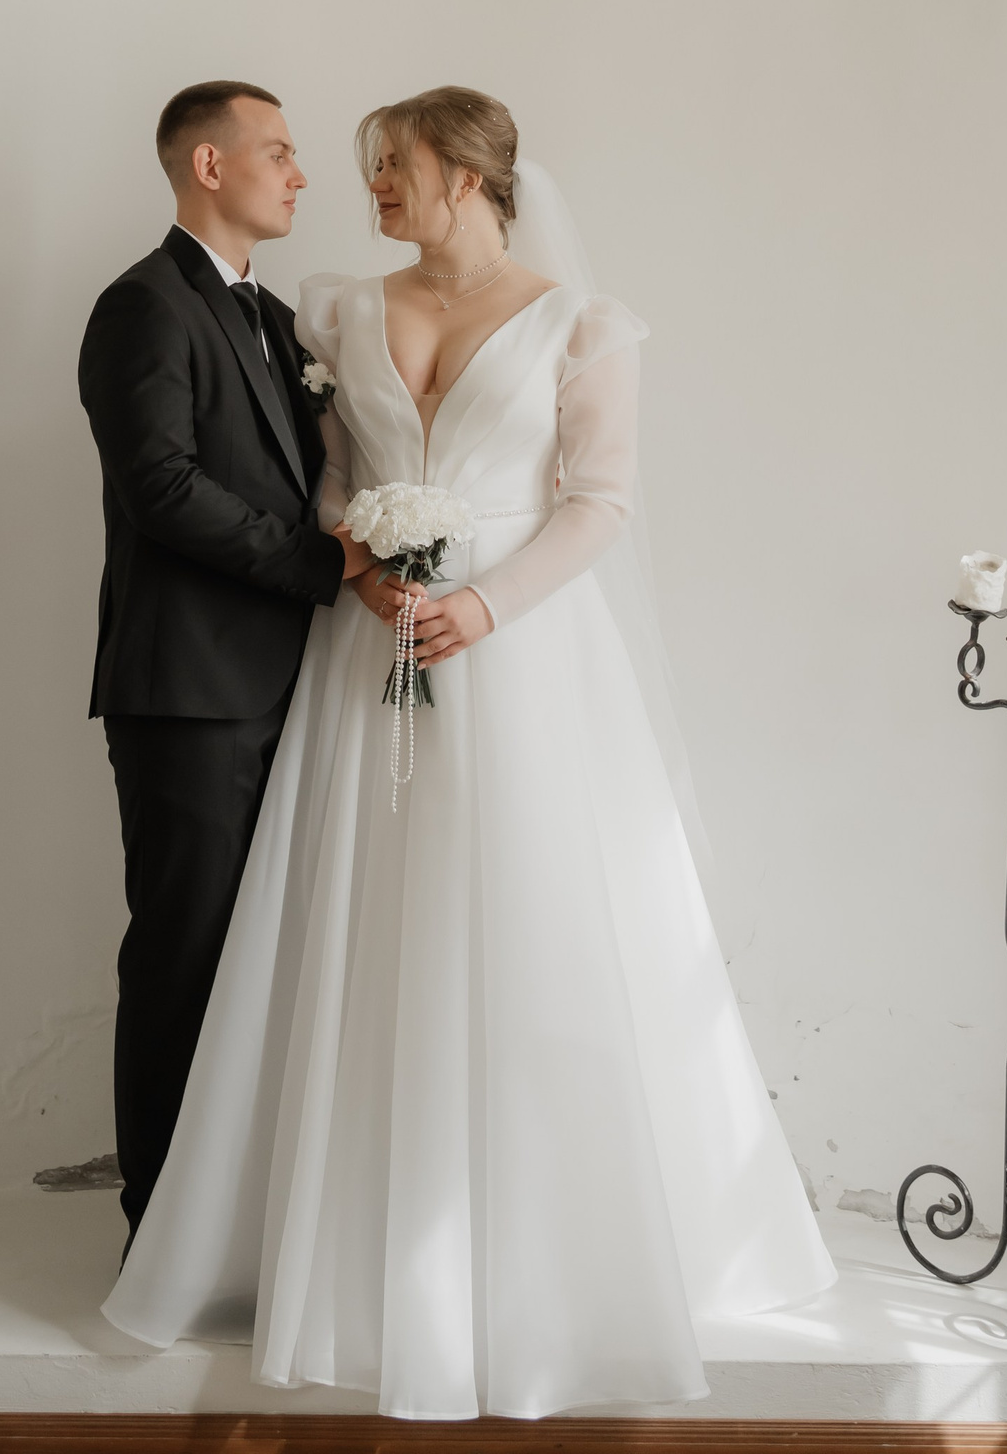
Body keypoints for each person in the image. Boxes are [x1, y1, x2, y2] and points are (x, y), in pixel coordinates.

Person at [102, 85, 835, 1417]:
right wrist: (367, 567)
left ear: (463, 173)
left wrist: (484, 606)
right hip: (367, 652)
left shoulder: (584, 325)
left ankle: (543, 1245)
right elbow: (332, 481)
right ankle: (336, 1238)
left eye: (392, 166)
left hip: (522, 658)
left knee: (528, 923)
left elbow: (600, 502)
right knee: (354, 929)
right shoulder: (338, 312)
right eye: (365, 167)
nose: (368, 187)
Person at [79, 80, 374, 1240]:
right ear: (210, 166)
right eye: (279, 152)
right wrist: (320, 562)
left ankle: (245, 1218)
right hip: (190, 694)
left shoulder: (280, 320)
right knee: (185, 955)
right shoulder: (142, 305)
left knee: (269, 961)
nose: (300, 175)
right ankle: (160, 1230)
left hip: (292, 685)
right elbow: (161, 487)